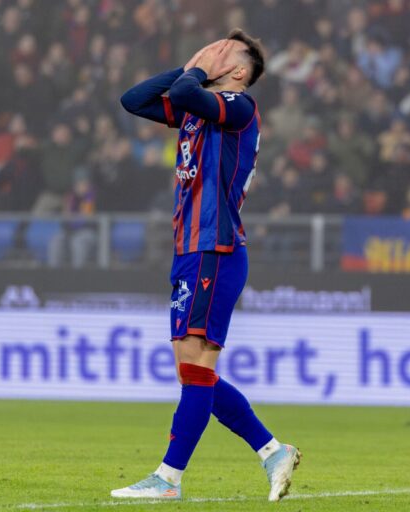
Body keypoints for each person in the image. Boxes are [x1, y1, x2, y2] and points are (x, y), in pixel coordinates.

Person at [112, 30, 301, 502]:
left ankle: (168, 478)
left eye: (221, 52)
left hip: (215, 248)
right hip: (190, 250)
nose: (207, 54)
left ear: (237, 71)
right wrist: (191, 68)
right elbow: (133, 100)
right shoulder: (197, 111)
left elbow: (180, 93)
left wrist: (194, 70)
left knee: (197, 369)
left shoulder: (239, 106)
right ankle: (272, 451)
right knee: (194, 372)